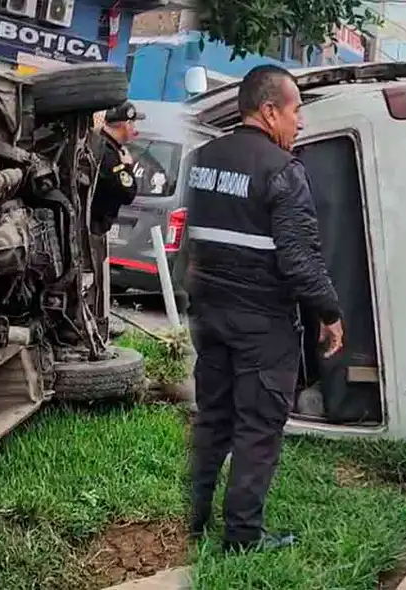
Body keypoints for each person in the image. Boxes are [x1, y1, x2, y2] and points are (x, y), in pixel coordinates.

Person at [182, 64, 345, 553]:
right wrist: (331, 314)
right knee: (257, 428)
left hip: (208, 315)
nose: (300, 123)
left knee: (213, 417)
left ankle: (191, 520)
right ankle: (242, 538)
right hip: (262, 323)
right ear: (270, 109)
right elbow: (299, 260)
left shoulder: (202, 158)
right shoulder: (282, 171)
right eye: (296, 111)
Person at [89, 101, 143, 235]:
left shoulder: (99, 143)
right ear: (125, 124)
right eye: (132, 123)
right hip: (93, 226)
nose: (134, 128)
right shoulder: (109, 154)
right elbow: (128, 193)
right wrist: (127, 167)